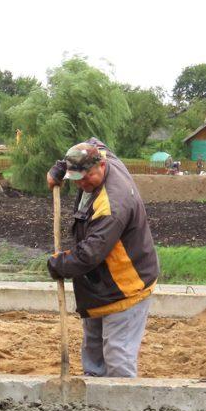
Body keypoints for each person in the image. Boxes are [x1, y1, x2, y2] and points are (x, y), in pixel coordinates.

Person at [46, 139, 159, 378]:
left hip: (126, 286)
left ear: (101, 167)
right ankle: (94, 400)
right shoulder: (103, 155)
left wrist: (57, 264)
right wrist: (59, 168)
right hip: (100, 283)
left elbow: (88, 255)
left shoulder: (112, 207)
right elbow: (92, 141)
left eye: (88, 178)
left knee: (118, 355)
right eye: (77, 179)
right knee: (94, 349)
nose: (83, 184)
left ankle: (121, 408)